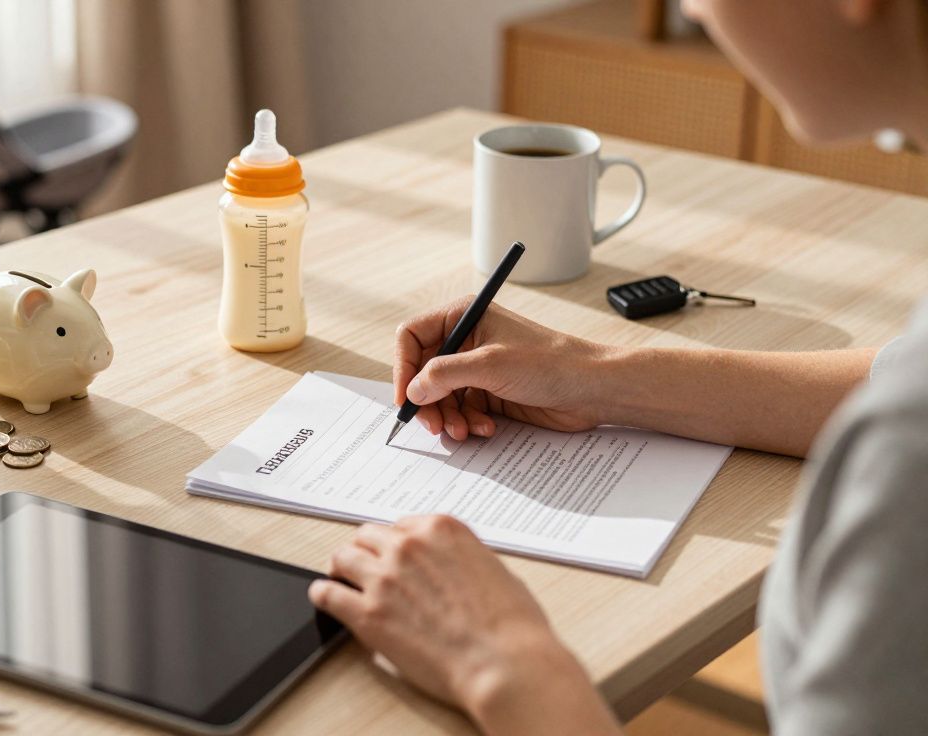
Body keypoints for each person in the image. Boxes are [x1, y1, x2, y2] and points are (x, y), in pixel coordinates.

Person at [307, 1, 928, 733]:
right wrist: (593, 373)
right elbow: (902, 377)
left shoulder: (907, 461)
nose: (691, 7)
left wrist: (503, 663)